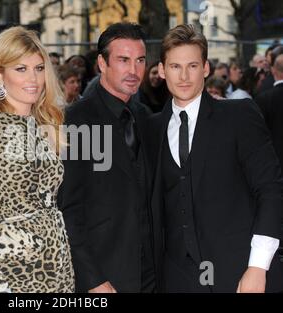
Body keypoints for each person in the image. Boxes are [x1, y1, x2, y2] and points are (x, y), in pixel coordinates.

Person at [149, 24, 283, 293]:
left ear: (206, 68)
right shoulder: (150, 128)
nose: (184, 76)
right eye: (175, 66)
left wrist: (258, 266)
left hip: (241, 272)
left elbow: (271, 189)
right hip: (177, 278)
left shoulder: (239, 115)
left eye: (193, 66)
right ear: (162, 70)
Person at [0, 26, 75, 293]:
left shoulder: (47, 123)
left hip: (56, 263)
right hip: (9, 269)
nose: (33, 78)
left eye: (39, 68)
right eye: (21, 69)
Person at [59, 22, 157, 293]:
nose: (134, 70)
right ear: (102, 63)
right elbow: (69, 210)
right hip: (104, 278)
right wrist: (93, 280)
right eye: (123, 60)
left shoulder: (144, 117)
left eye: (139, 61)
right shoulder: (77, 121)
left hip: (149, 275)